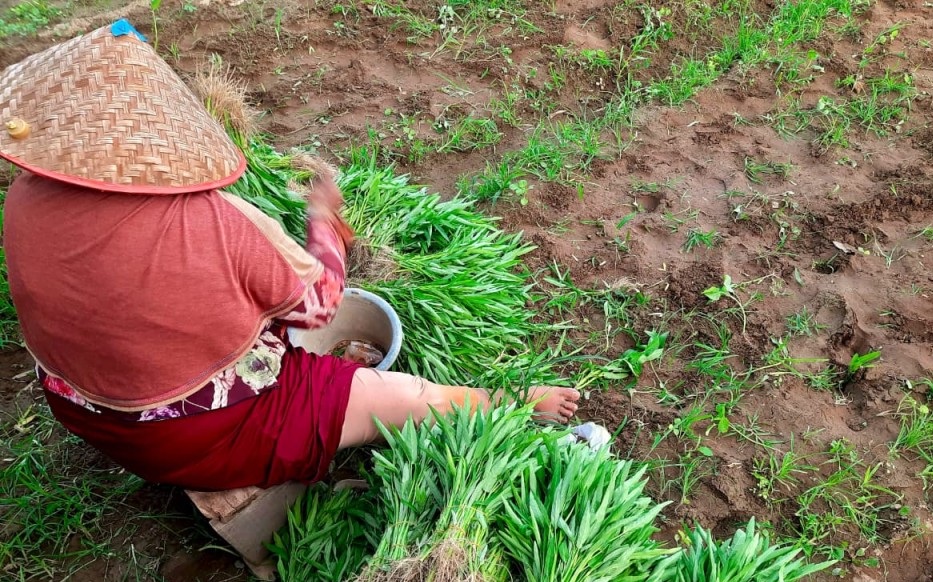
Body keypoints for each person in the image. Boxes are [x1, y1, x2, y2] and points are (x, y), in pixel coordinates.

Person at [0, 22, 579, 492]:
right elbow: (319, 308)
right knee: (395, 395)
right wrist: (325, 220)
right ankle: (513, 403)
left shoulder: (23, 199)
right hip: (192, 436)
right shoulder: (215, 220)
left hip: (84, 412)